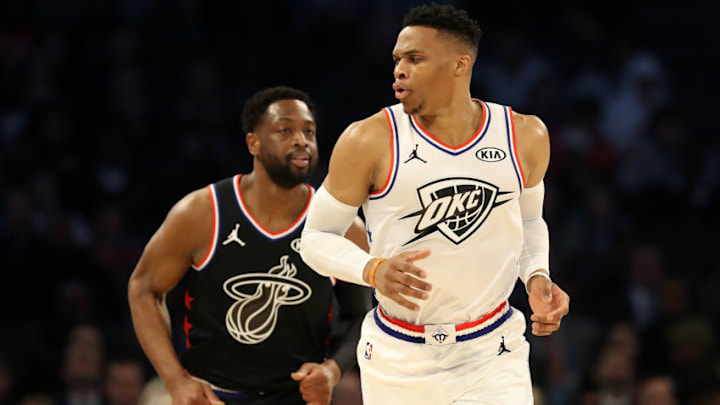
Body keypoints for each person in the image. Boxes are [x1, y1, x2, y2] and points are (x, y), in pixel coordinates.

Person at [300, 5, 570, 404]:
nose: (399, 70)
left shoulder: (524, 136)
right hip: (399, 355)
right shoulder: (369, 140)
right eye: (397, 60)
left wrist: (536, 276)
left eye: (415, 59)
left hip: (493, 351)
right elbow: (315, 238)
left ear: (460, 65)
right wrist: (371, 269)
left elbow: (529, 220)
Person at [128, 86, 372, 405]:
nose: (301, 140)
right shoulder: (203, 213)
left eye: (309, 131)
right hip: (212, 395)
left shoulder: (342, 227)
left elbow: (360, 315)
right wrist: (175, 381)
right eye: (285, 129)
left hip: (294, 396)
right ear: (253, 143)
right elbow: (143, 289)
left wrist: (333, 370)